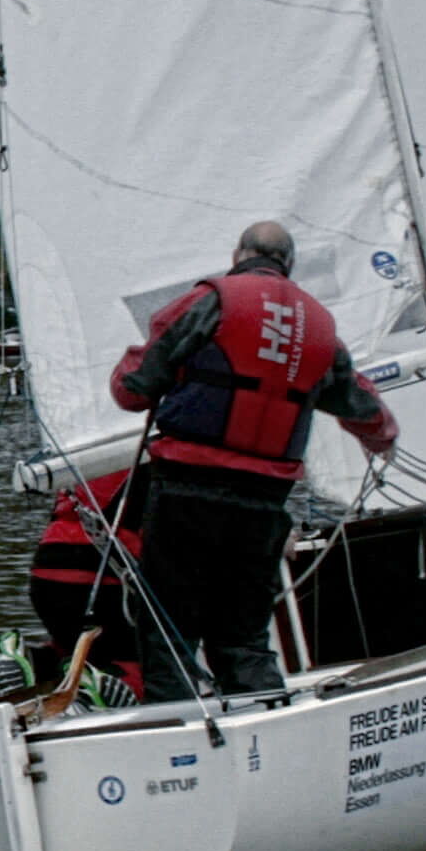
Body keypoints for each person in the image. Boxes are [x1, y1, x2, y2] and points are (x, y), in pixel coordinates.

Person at [107, 219, 397, 701]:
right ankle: (265, 717)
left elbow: (132, 389)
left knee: (169, 627)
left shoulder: (212, 300)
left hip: (187, 492)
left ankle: (177, 736)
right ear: (290, 264)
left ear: (239, 255)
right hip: (263, 504)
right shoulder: (320, 327)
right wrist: (382, 440)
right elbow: (367, 411)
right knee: (242, 635)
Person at [26, 468, 145, 701]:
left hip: (46, 571)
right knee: (139, 656)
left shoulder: (83, 469)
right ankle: (113, 681)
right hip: (103, 576)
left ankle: (38, 663)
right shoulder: (149, 462)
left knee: (74, 644)